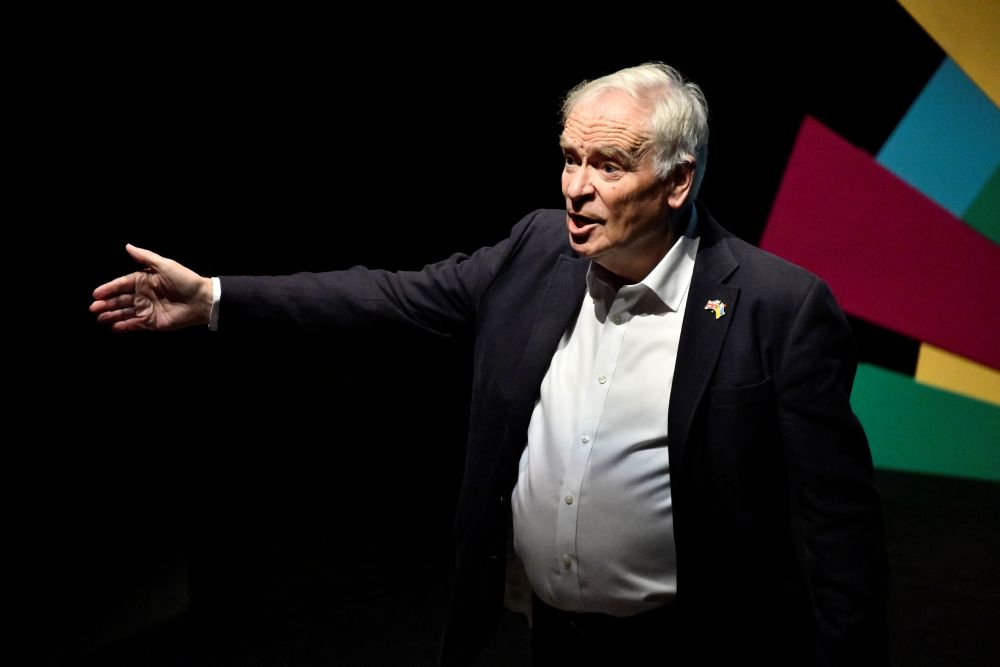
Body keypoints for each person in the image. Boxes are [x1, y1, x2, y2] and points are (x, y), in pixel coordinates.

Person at [91, 63, 888, 666]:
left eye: (609, 166)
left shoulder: (777, 306)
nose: (577, 188)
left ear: (679, 180)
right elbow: (389, 297)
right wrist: (217, 297)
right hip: (548, 640)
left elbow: (839, 527)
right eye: (570, 159)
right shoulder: (538, 249)